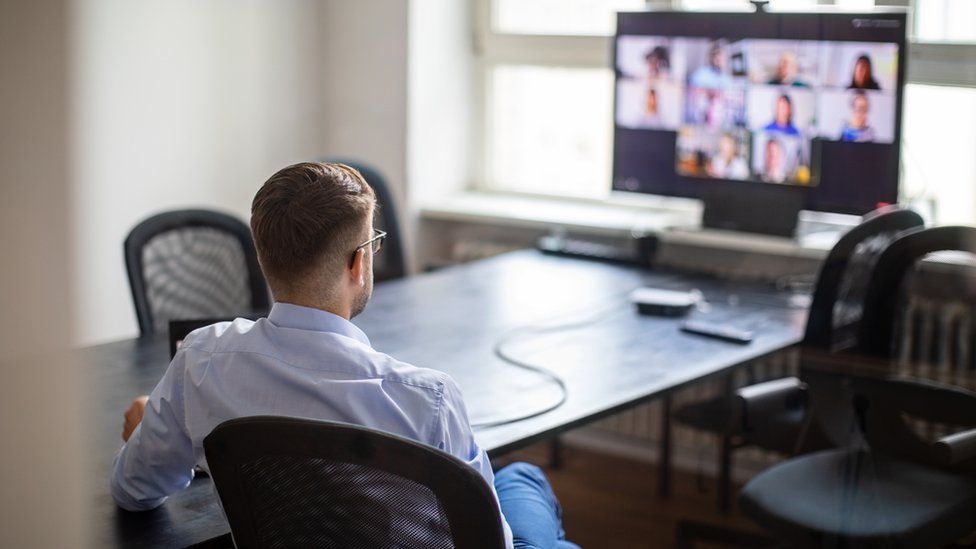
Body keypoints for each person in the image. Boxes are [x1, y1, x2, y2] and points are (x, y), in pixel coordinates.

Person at [110, 162, 579, 549]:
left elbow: (133, 493)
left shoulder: (202, 361)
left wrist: (149, 432)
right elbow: (489, 542)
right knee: (522, 478)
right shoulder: (426, 399)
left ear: (263, 257)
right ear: (358, 262)